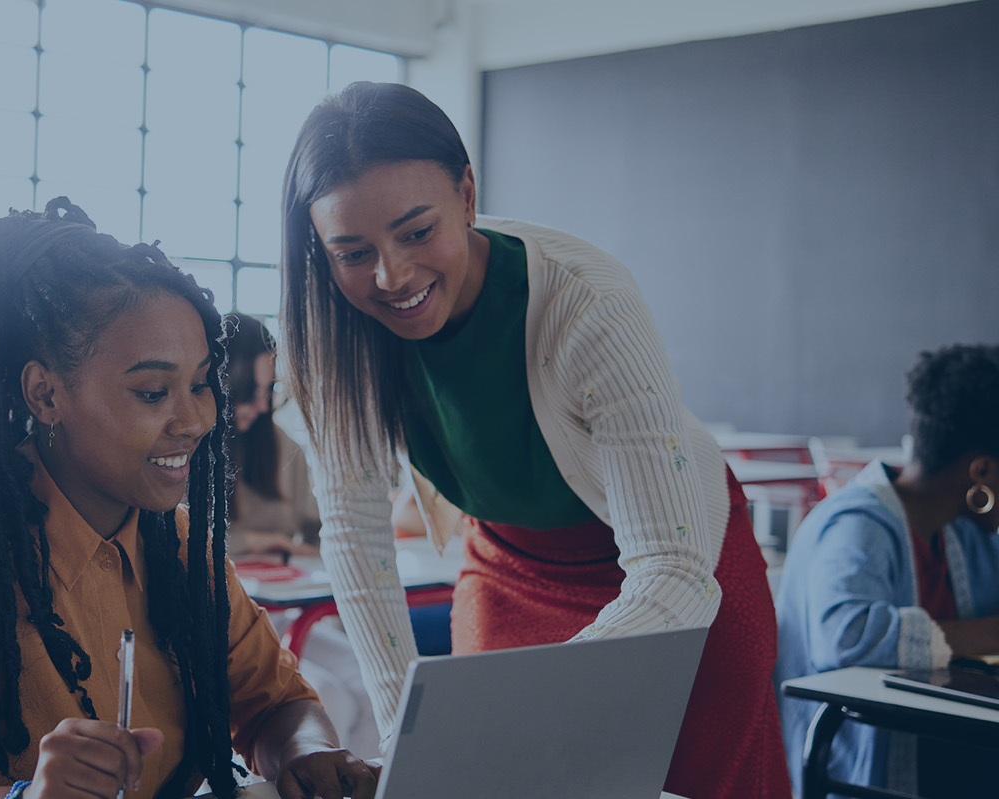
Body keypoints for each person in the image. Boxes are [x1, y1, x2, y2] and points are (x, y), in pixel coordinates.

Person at [279, 82, 787, 798]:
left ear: (466, 194)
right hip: (512, 569)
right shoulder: (335, 330)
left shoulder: (587, 299)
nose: (391, 276)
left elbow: (671, 566)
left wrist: (542, 702)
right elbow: (358, 542)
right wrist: (402, 732)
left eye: (417, 232)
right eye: (353, 251)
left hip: (677, 569)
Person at [0, 200, 379, 799]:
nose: (197, 419)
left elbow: (276, 703)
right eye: (152, 392)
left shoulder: (176, 541)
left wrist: (311, 753)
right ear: (45, 394)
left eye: (201, 384)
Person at [774, 344, 999, 797]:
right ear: (981, 470)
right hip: (862, 771)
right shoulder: (856, 524)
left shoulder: (966, 532)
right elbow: (844, 636)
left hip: (944, 751)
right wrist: (986, 634)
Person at [224, 313, 320, 561]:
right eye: (252, 391)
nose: (263, 407)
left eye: (267, 392)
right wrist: (256, 541)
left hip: (279, 593)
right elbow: (174, 542)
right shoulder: (184, 449)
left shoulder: (284, 446)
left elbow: (318, 532)